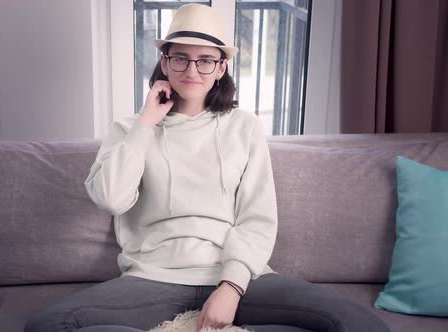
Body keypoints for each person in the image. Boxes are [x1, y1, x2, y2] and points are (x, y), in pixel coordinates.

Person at [25, 4, 389, 332]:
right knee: (49, 323)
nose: (192, 70)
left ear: (221, 68)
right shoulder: (130, 128)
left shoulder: (243, 126)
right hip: (155, 278)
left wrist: (230, 287)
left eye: (205, 60)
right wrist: (146, 123)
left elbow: (257, 219)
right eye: (180, 58)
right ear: (165, 63)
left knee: (359, 322)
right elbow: (110, 198)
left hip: (236, 276)